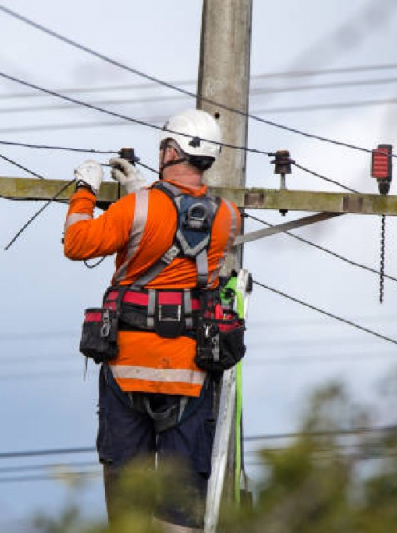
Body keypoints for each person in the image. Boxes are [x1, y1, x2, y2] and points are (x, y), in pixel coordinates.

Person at [64, 109, 243, 532]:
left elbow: (77, 243)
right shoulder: (227, 217)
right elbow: (183, 230)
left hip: (127, 370)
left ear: (170, 150)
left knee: (128, 501)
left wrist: (85, 191)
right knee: (180, 509)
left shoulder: (136, 207)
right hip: (189, 375)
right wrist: (145, 194)